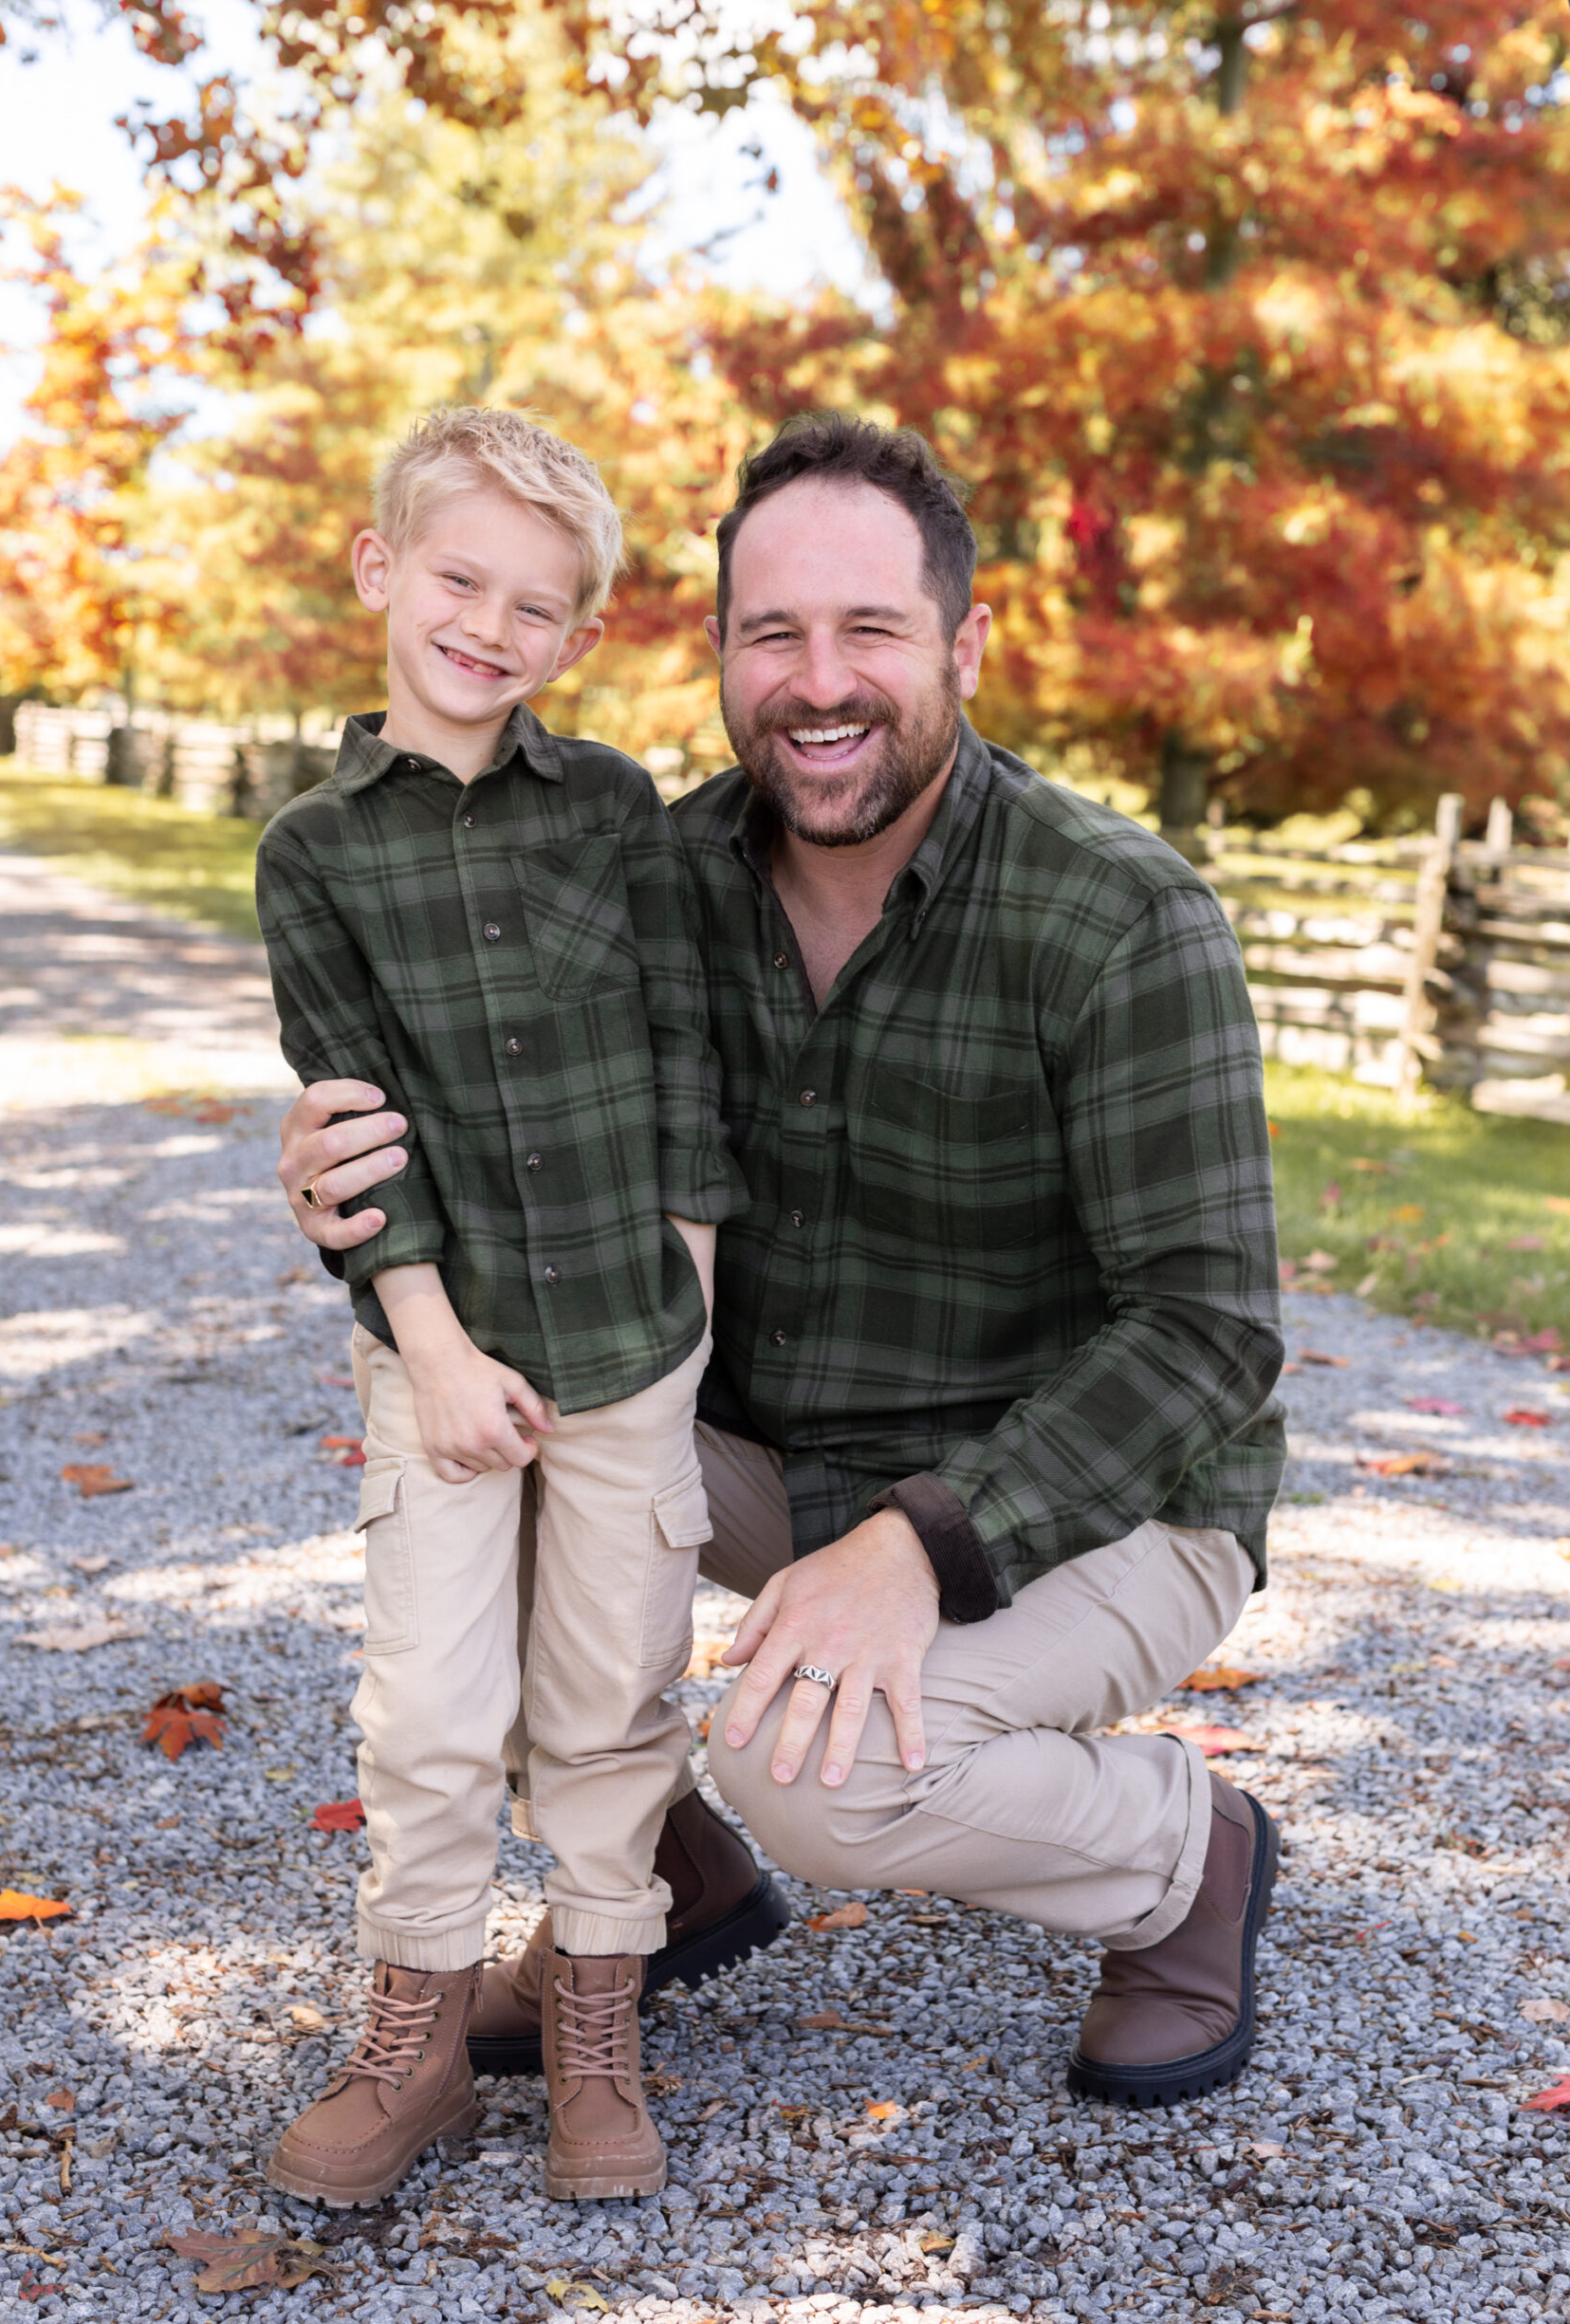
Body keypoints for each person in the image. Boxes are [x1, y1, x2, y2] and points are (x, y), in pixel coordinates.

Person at [277, 413, 1288, 2113]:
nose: (820, 681)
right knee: (489, 1467)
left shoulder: (1116, 918)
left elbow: (1210, 1331)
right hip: (773, 1455)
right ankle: (669, 1887)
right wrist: (340, 1198)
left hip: (1104, 1503)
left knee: (819, 1777)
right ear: (719, 655)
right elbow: (501, 1166)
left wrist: (924, 1543)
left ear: (963, 645)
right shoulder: (647, 871)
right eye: (774, 633)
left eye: (871, 631)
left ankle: (1190, 1856)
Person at [253, 405, 785, 2209]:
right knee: (427, 1707)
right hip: (444, 1359)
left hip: (635, 1344)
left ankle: (592, 2033)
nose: (488, 624)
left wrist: (689, 1299)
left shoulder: (615, 812)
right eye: (458, 577)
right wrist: (432, 1341)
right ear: (381, 569)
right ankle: (408, 2040)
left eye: (535, 604)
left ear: (580, 635)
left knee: (610, 1705)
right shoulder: (315, 854)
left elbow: (679, 1059)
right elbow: (353, 1126)